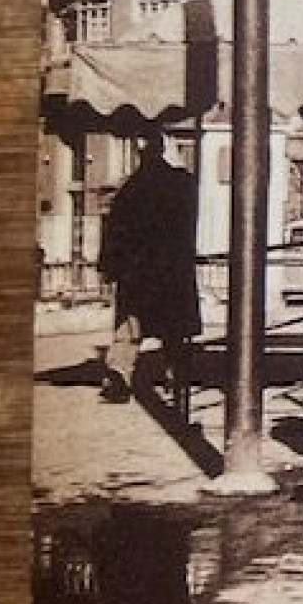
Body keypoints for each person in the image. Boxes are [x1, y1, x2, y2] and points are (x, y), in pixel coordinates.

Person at [98, 130, 200, 406]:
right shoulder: (182, 184)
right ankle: (176, 377)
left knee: (130, 326)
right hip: (171, 267)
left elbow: (115, 232)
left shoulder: (128, 190)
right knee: (173, 328)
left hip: (138, 270)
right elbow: (189, 221)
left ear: (139, 153)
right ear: (162, 149)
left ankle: (119, 374)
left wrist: (109, 266)